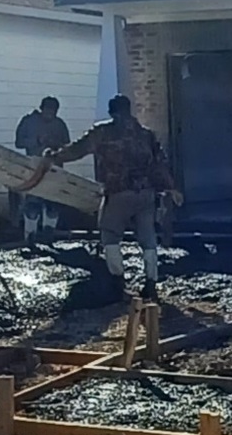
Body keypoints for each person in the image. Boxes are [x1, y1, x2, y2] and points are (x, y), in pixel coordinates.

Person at [50, 94, 183, 302]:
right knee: (148, 239)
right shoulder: (146, 134)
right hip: (146, 194)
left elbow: (77, 149)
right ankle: (150, 283)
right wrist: (172, 188)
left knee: (110, 236)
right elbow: (160, 164)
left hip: (118, 192)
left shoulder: (103, 132)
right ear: (129, 110)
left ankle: (118, 280)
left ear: (112, 112)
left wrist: (54, 156)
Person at [13, 96, 71, 245]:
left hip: (54, 169)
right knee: (32, 205)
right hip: (34, 169)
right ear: (42, 108)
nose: (50, 114)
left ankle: (48, 235)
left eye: (54, 111)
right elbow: (18, 142)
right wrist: (36, 141)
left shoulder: (59, 124)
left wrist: (56, 144)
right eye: (48, 110)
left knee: (53, 205)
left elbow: (67, 144)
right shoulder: (28, 122)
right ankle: (30, 236)